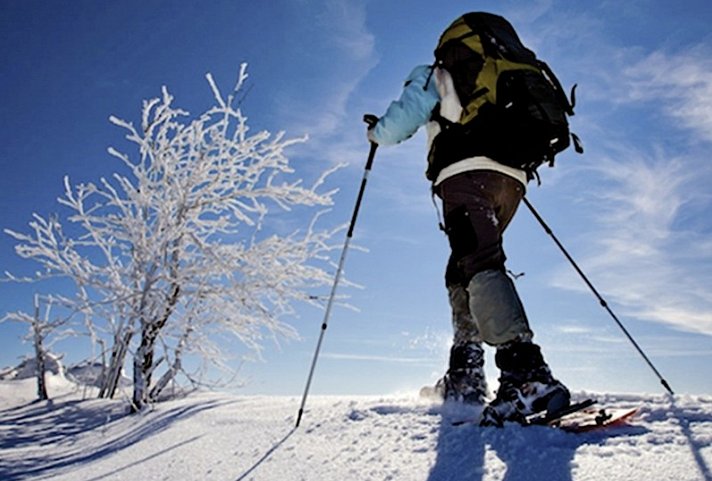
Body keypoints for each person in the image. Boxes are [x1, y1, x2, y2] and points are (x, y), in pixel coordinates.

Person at [366, 20, 570, 427]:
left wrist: (376, 132)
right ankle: (466, 376)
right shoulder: (504, 68)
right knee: (462, 268)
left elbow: (399, 124)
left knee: (479, 265)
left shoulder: (437, 72)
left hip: (466, 175)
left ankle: (526, 377)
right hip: (512, 178)